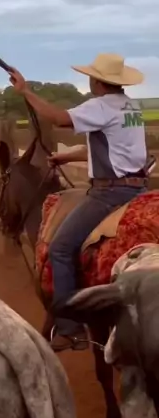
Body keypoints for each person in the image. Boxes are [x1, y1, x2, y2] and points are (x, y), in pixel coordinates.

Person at [8, 53, 148, 353]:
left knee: (59, 248)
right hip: (139, 188)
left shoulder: (101, 106)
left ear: (98, 81)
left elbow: (59, 118)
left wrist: (25, 91)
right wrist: (66, 157)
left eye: (91, 77)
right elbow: (114, 149)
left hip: (110, 193)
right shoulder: (130, 107)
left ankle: (69, 327)